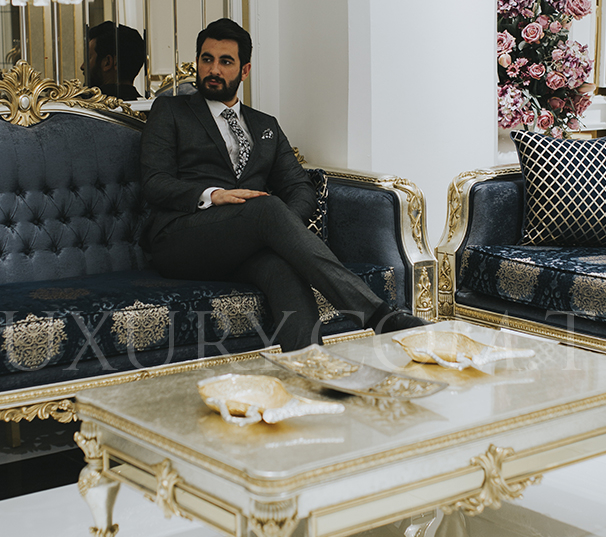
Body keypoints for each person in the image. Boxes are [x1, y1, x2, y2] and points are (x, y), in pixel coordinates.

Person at [139, 18, 426, 352]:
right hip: (182, 240)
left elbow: (299, 187)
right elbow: (154, 182)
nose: (213, 69)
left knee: (282, 268)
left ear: (245, 70)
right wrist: (214, 196)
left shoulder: (266, 126)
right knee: (266, 209)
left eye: (225, 61)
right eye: (207, 59)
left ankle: (309, 364)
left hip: (244, 245)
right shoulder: (171, 111)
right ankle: (380, 316)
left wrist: (280, 228)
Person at [83, 22, 145, 101]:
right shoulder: (148, 106)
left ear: (107, 62)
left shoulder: (81, 106)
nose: (82, 66)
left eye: (88, 58)